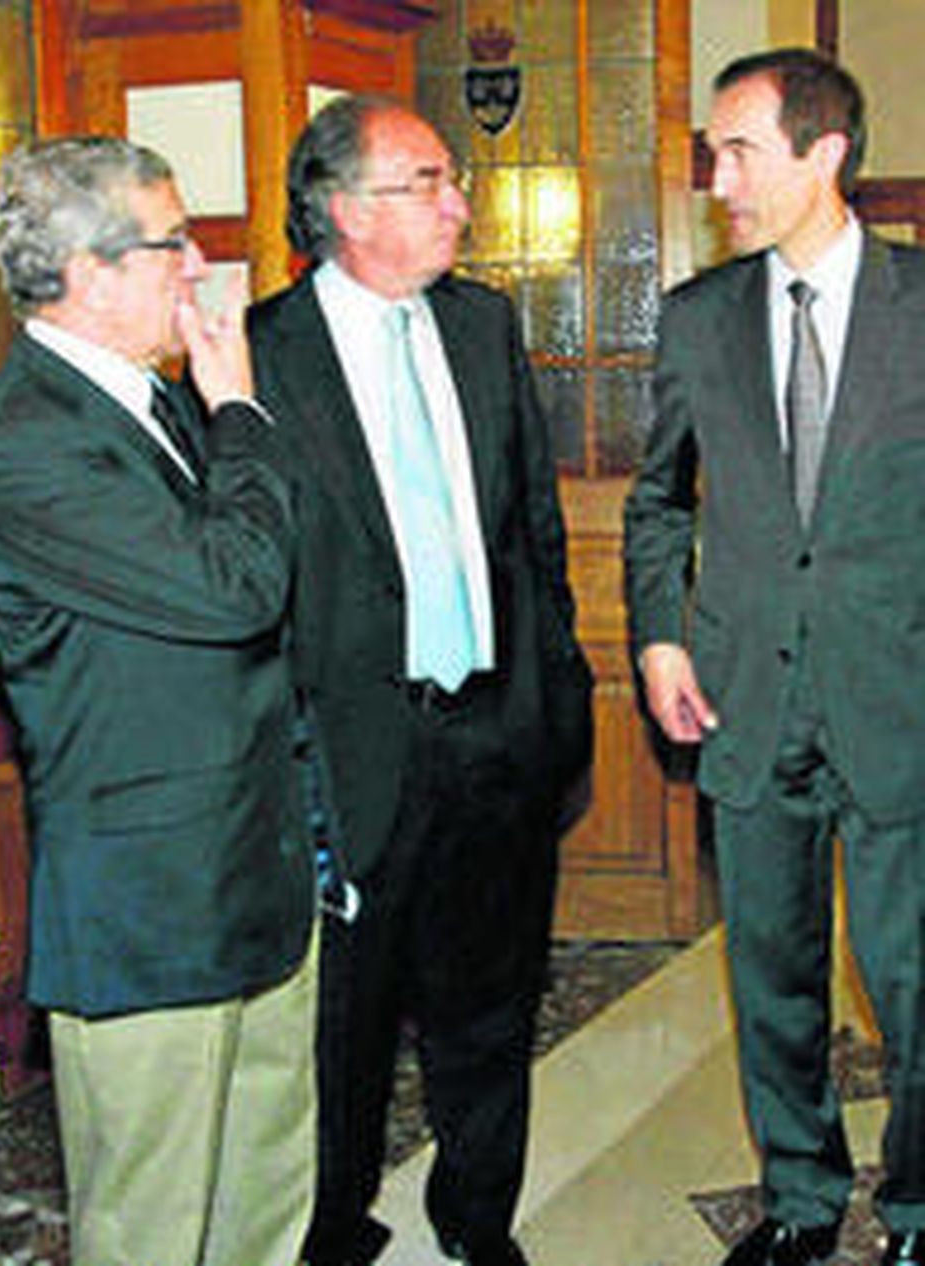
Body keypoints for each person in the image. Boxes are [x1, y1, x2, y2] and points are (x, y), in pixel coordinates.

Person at [0, 136, 317, 1266]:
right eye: (173, 243)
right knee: (153, 1223)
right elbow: (236, 586)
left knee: (264, 1199)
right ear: (89, 272)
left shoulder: (146, 400)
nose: (197, 266)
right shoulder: (22, 442)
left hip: (251, 867)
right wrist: (241, 413)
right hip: (151, 904)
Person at [247, 94, 593, 1266]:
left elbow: (531, 528)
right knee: (338, 1032)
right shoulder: (257, 351)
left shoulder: (482, 326)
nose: (460, 205)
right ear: (344, 210)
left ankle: (479, 1225)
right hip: (348, 756)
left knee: (490, 1010)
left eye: (453, 180)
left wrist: (554, 691)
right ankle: (332, 1230)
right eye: (429, 182)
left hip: (495, 729)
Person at [625, 47, 925, 1266]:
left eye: (739, 152)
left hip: (898, 695)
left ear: (824, 154)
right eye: (713, 154)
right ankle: (800, 1198)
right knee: (771, 975)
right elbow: (657, 499)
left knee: (911, 981)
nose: (718, 180)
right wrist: (657, 635)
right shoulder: (697, 318)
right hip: (744, 696)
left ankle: (918, 1208)